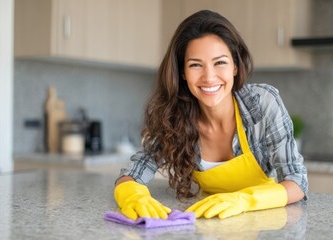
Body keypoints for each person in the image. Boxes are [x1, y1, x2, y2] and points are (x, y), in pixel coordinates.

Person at [114, 9, 308, 220]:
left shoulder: (261, 104)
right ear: (183, 73)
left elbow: (297, 182)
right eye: (195, 65)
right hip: (208, 221)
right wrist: (132, 196)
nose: (209, 77)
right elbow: (132, 174)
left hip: (264, 222)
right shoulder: (173, 118)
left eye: (220, 62)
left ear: (235, 65)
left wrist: (243, 200)